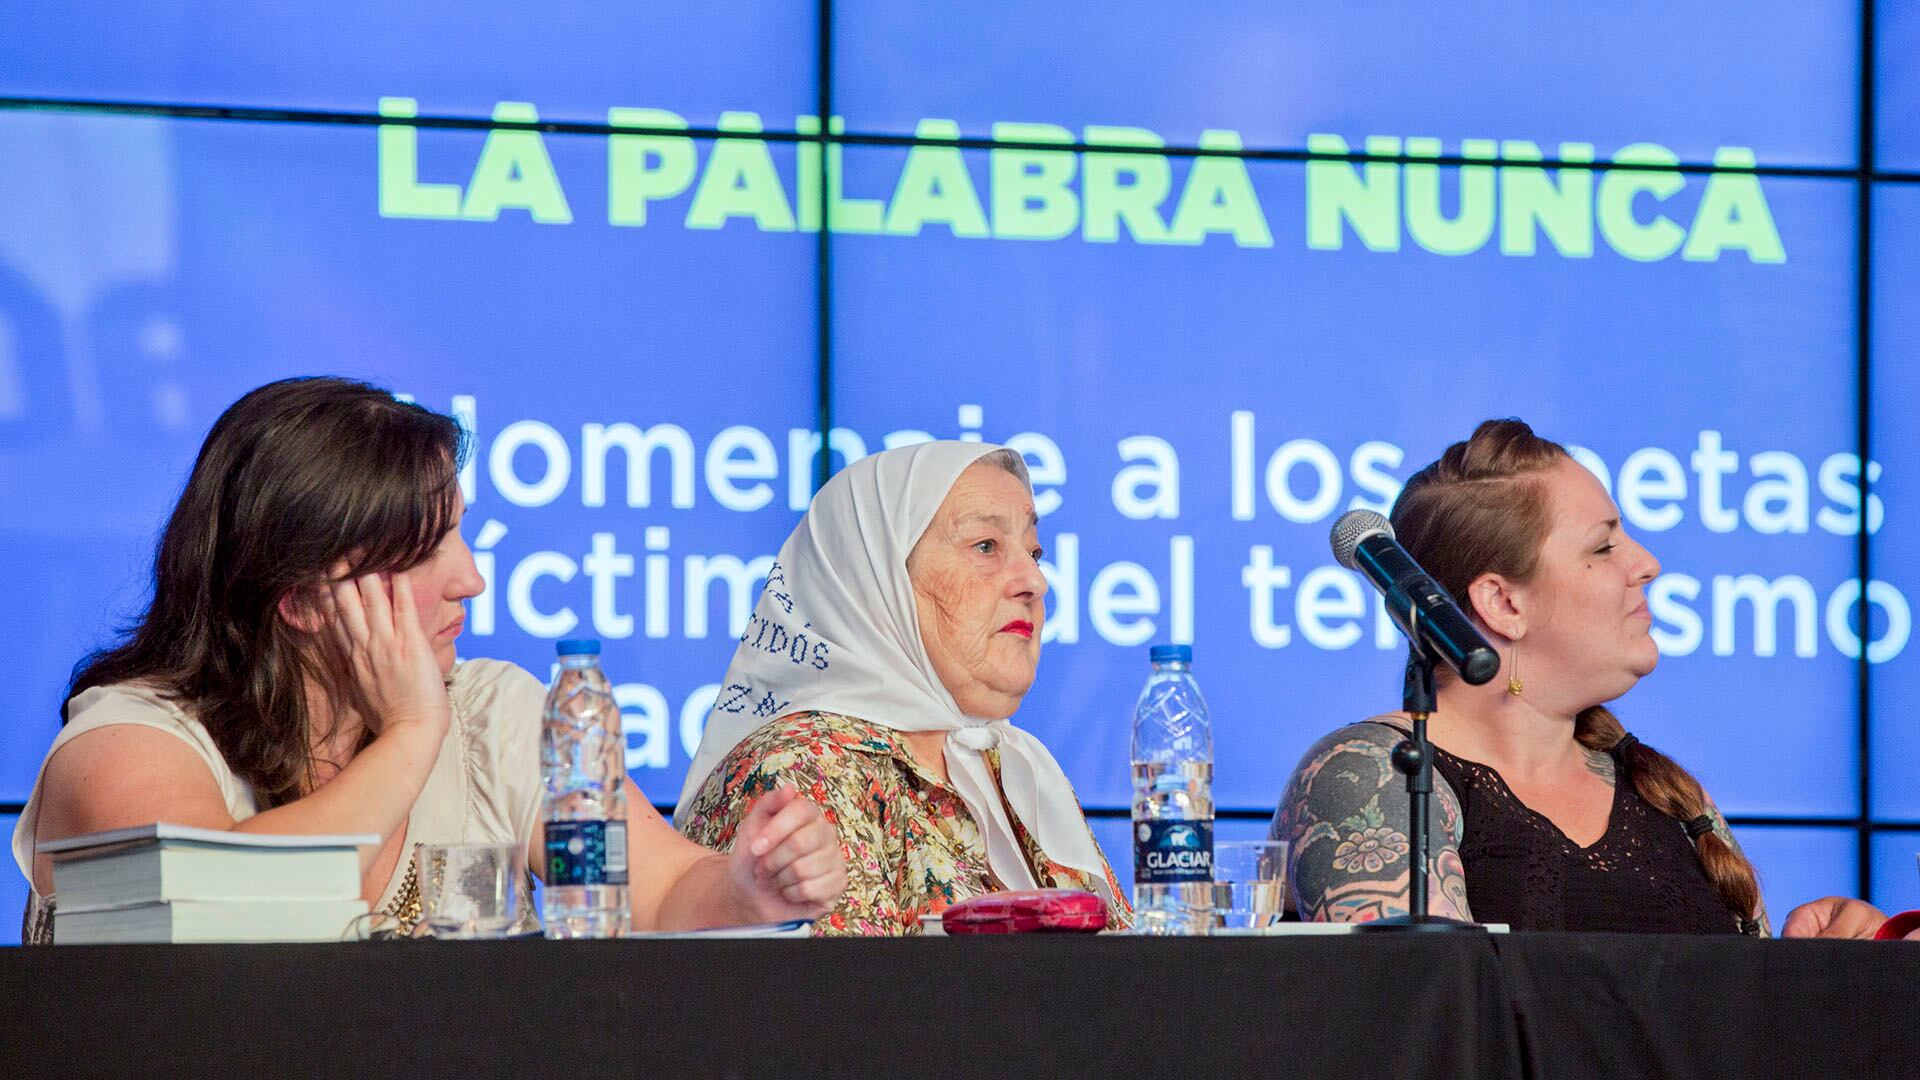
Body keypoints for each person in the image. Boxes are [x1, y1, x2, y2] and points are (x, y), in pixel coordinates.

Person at [13, 377, 845, 944]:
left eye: (460, 532)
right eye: (424, 552)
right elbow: (223, 920)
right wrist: (411, 734)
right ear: (302, 597)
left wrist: (746, 888)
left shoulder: (493, 716)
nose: (471, 579)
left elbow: (654, 891)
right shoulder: (127, 741)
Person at [1272, 418, 1885, 937]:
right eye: (1603, 547)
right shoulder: (1370, 773)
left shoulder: (1667, 797)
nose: (1647, 564)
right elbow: (1434, 1021)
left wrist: (1823, 966)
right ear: (1504, 604)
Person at [676, 441, 1129, 935]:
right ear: (876, 581)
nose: (1033, 582)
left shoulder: (1017, 765)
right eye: (986, 546)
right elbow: (847, 1003)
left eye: (1033, 552)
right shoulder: (801, 770)